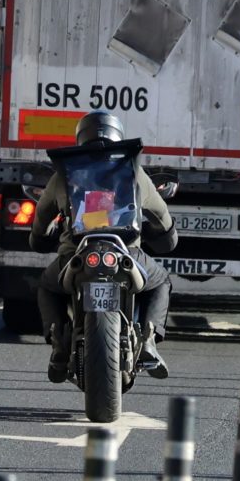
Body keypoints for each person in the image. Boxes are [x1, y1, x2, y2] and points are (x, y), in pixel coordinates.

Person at [30, 111, 177, 382]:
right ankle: (148, 341)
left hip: (75, 255)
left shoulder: (64, 173)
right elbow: (162, 218)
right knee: (160, 282)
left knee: (47, 286)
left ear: (80, 137)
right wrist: (166, 235)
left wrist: (40, 237)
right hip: (126, 254)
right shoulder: (133, 171)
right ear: (116, 136)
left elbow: (40, 222)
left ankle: (60, 343)